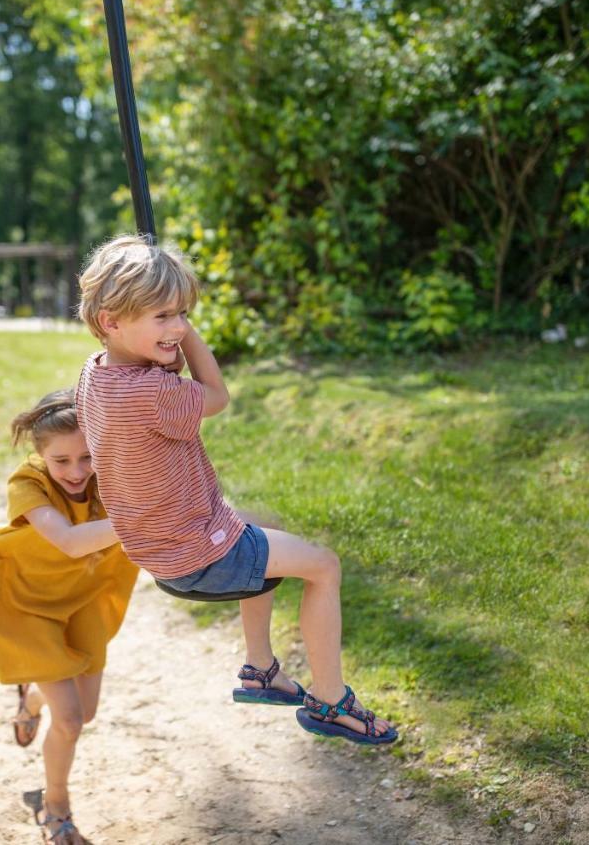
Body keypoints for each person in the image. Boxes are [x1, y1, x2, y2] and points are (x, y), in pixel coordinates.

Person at [75, 236, 397, 746]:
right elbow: (217, 396)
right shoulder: (152, 393)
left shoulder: (95, 375)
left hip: (159, 545)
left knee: (258, 524)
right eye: (164, 317)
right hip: (195, 552)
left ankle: (261, 670)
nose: (178, 327)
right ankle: (332, 703)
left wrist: (162, 331)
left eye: (182, 314)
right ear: (112, 321)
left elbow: (160, 367)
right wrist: (191, 337)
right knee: (324, 565)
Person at [0, 390, 139, 845]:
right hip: (24, 600)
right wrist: (146, 521)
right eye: (61, 460)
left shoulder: (113, 473)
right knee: (67, 721)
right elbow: (66, 539)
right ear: (39, 454)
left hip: (82, 591)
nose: (77, 471)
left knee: (84, 713)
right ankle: (56, 806)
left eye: (88, 457)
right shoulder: (26, 484)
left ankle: (31, 699)